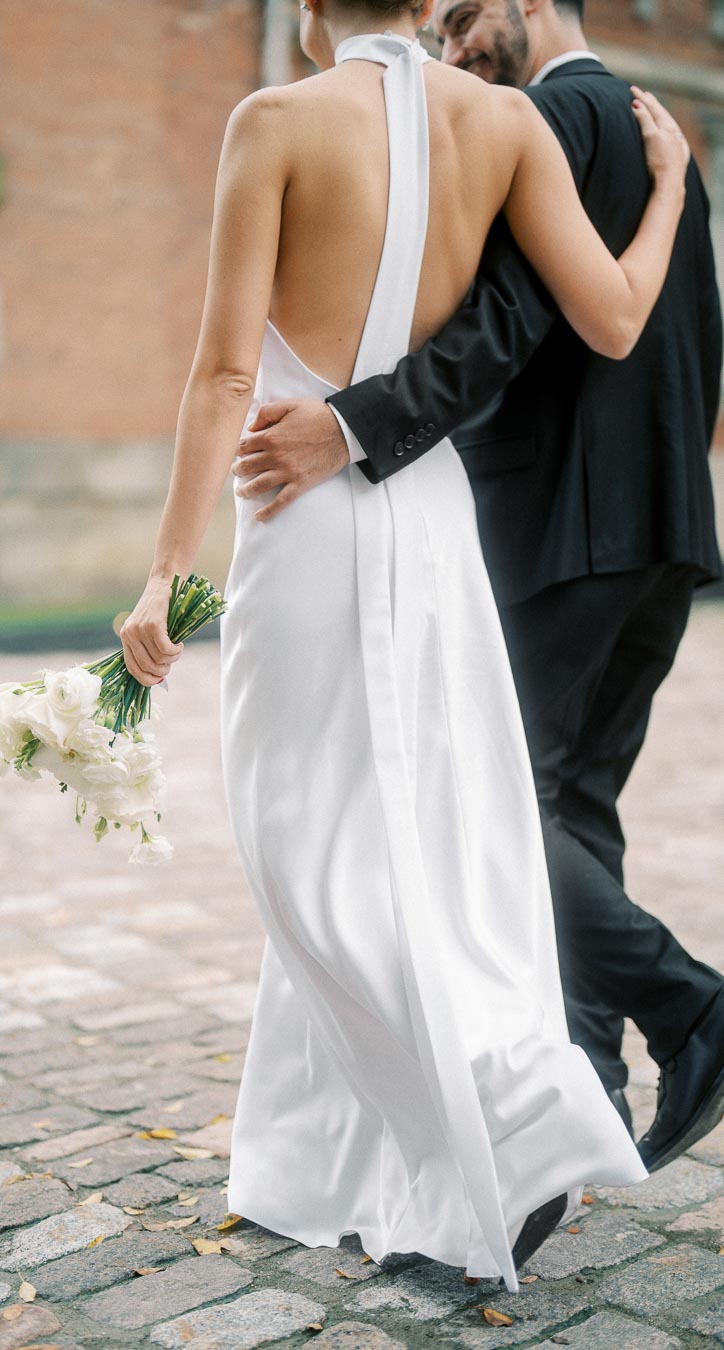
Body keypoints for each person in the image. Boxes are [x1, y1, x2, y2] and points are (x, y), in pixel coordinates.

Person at [120, 0, 688, 1289]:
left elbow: (221, 375)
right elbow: (610, 317)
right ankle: (314, 1156)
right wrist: (666, 196)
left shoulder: (271, 122)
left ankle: (518, 1107)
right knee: (414, 824)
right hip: (431, 513)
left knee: (304, 843)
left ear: (313, 6)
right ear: (433, 7)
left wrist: (161, 571)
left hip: (303, 516)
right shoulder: (502, 122)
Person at [230, 0, 724, 1175]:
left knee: (502, 815)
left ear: (532, 3)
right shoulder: (669, 145)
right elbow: (692, 329)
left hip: (559, 528)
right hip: (662, 533)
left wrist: (352, 423)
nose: (451, 46)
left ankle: (692, 1005)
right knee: (574, 812)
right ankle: (586, 1091)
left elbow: (501, 324)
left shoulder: (540, 116)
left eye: (464, 19)